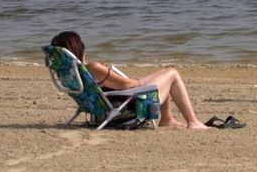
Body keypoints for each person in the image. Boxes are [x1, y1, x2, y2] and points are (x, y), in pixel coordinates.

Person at [50, 31, 213, 130]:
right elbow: (128, 85)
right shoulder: (92, 68)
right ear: (79, 48)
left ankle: (167, 119)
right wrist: (131, 79)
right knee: (172, 73)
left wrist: (112, 74)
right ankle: (192, 122)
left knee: (164, 73)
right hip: (129, 110)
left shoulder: (70, 73)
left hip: (106, 110)